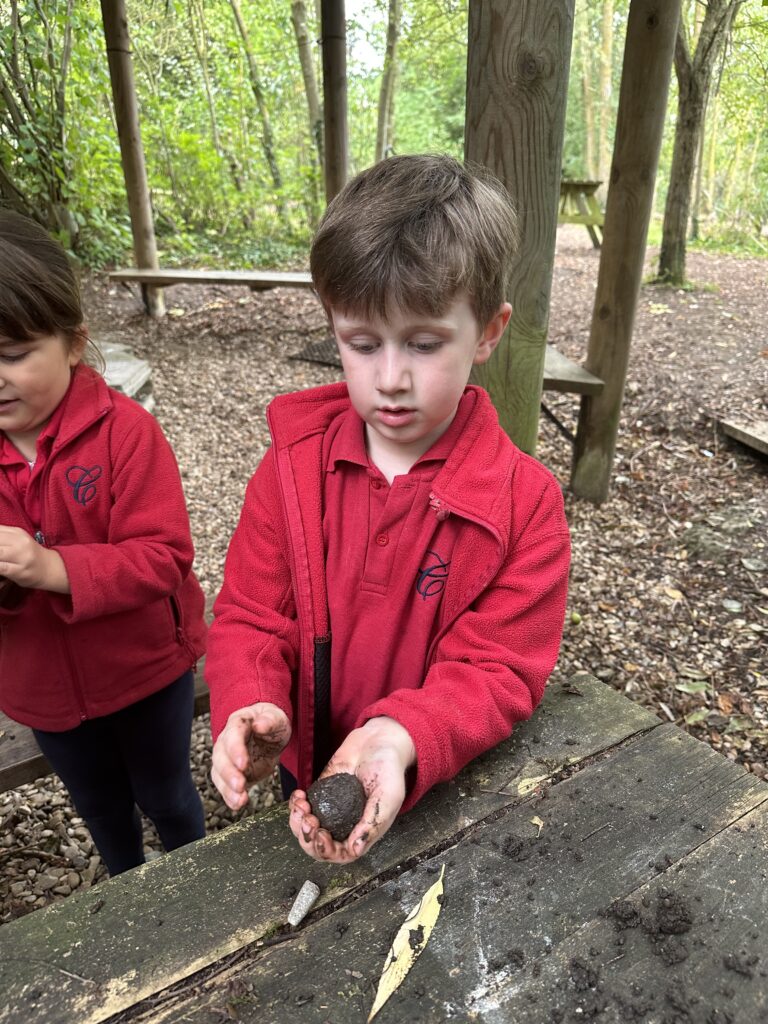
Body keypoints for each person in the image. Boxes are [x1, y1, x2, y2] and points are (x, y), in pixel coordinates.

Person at [207, 154, 570, 864]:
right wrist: (255, 699)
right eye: (361, 344)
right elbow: (252, 613)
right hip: (309, 768)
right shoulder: (290, 470)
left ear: (489, 332)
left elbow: (499, 669)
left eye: (425, 344)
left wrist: (401, 734)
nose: (390, 379)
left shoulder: (524, 505)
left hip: (438, 780)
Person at [0, 211, 207, 875]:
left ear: (74, 343)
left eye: (13, 355)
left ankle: (196, 881)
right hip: (43, 690)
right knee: (98, 805)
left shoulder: (125, 434)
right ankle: (126, 894)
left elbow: (164, 556)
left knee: (167, 795)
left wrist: (53, 567)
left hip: (145, 672)